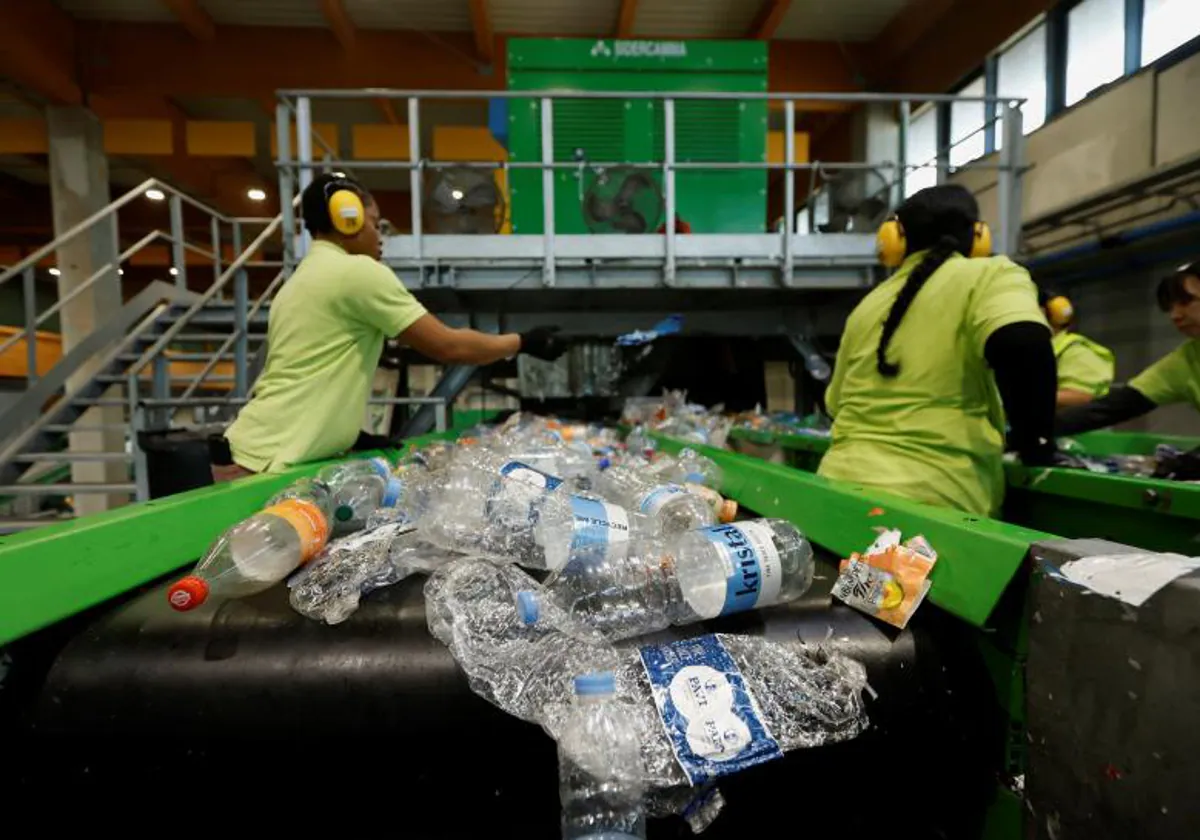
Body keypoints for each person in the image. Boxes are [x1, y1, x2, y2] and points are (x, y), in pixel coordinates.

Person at [213, 173, 566, 477]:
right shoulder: (358, 273)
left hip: (249, 450)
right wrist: (522, 342)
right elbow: (449, 347)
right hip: (269, 460)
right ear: (345, 219)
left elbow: (307, 369)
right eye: (374, 223)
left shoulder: (300, 279)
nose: (381, 235)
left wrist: (349, 434)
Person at [817, 184, 1057, 517]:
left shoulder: (867, 305)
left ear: (895, 239)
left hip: (838, 490)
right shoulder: (991, 274)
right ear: (978, 236)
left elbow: (835, 403)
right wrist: (1037, 444)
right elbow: (1023, 343)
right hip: (935, 505)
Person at [1057, 261, 1200, 436]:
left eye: (1187, 301)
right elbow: (1114, 407)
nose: (1175, 315)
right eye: (1170, 306)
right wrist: (1032, 432)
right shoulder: (1185, 362)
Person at [1039, 289, 1115, 408]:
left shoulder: (1077, 351)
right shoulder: (1038, 350)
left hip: (1069, 426)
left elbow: (1081, 396)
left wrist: (1022, 397)